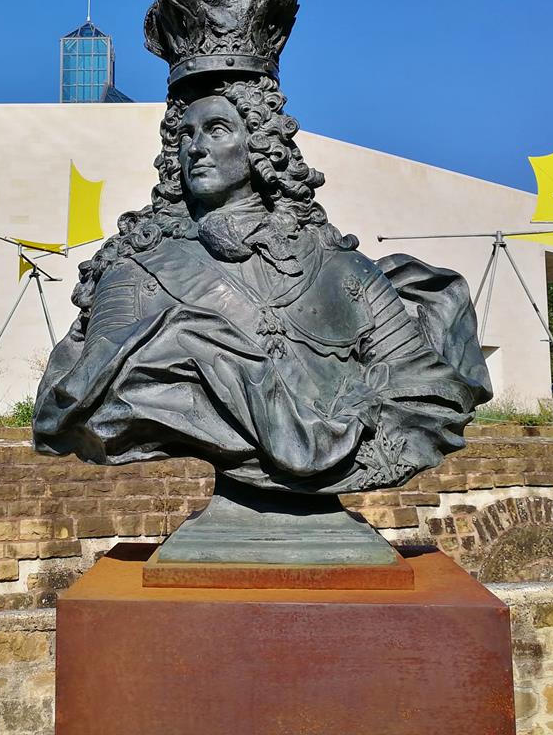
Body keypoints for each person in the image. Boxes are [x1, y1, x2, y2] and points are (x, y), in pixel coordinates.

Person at [34, 76, 491, 494]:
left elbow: (426, 389)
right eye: (185, 136)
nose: (196, 148)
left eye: (216, 130)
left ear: (260, 145)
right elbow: (87, 396)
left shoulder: (342, 270)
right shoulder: (136, 273)